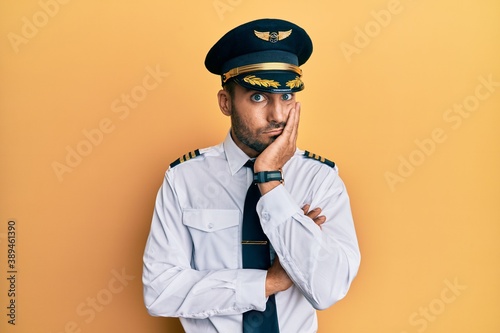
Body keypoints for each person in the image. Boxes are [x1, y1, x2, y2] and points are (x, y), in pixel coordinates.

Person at [142, 18, 360, 333]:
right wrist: (267, 283)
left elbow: (329, 289)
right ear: (225, 102)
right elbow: (159, 291)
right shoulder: (184, 179)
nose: (277, 115)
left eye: (286, 96)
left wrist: (271, 181)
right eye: (258, 97)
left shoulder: (320, 179)